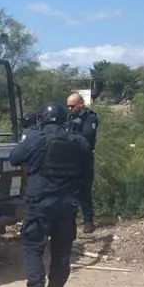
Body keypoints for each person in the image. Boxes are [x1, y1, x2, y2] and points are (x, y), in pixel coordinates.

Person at [8, 101, 92, 287]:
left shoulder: (36, 138)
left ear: (42, 119)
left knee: (33, 248)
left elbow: (14, 158)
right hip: (68, 205)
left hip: (41, 204)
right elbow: (87, 176)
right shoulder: (80, 142)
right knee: (62, 251)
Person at [65, 93, 99, 233]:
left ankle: (88, 220)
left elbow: (87, 136)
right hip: (70, 158)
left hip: (84, 157)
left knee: (84, 190)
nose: (69, 109)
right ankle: (69, 220)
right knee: (69, 189)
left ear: (80, 103)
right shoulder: (70, 117)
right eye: (68, 106)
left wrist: (70, 137)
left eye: (72, 106)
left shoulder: (90, 117)